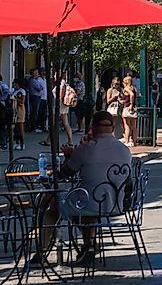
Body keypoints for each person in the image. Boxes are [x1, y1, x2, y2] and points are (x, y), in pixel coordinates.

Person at [32, 111, 132, 266]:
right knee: (86, 207)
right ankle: (89, 246)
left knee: (50, 201)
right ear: (113, 128)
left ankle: (41, 251)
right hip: (115, 204)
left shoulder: (86, 149)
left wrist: (69, 156)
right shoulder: (125, 150)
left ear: (92, 128)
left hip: (89, 203)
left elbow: (65, 173)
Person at [120, 76, 139, 147]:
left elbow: (131, 94)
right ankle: (135, 141)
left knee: (127, 125)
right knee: (134, 126)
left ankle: (127, 141)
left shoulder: (126, 88)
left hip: (127, 107)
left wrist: (130, 104)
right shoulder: (134, 88)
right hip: (134, 108)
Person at [27, 68, 47, 133]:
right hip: (35, 97)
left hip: (39, 97)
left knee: (38, 112)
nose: (37, 74)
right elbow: (39, 88)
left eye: (37, 72)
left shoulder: (36, 80)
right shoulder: (33, 80)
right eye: (35, 73)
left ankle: (37, 125)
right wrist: (41, 87)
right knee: (35, 112)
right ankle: (34, 126)